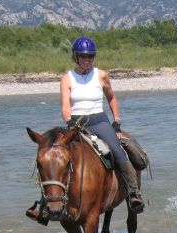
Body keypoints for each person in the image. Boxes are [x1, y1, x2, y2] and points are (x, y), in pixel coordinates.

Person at [60, 35, 144, 213]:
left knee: (117, 150)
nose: (87, 60)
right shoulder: (67, 78)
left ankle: (134, 193)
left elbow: (111, 98)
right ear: (76, 57)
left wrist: (116, 121)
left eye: (90, 56)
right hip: (76, 122)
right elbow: (65, 107)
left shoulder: (101, 75)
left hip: (98, 120)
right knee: (54, 154)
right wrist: (69, 122)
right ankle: (46, 204)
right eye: (83, 56)